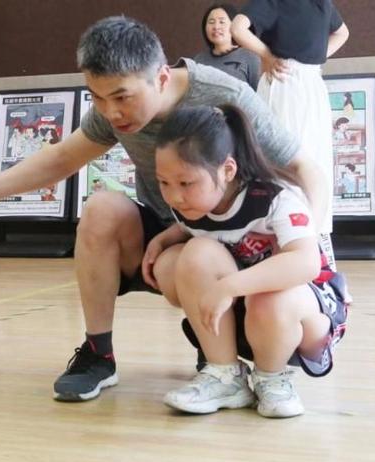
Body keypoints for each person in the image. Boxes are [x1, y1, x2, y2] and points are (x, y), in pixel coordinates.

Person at [0, 16, 328, 402]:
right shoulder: (113, 111)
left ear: (160, 77)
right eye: (97, 97)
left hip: (236, 240)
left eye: (122, 97)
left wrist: (314, 246)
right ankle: (98, 355)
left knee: (190, 259)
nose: (111, 112)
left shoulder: (223, 96)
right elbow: (60, 160)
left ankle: (218, 348)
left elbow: (302, 166)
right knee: (101, 209)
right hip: (173, 228)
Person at [145, 104, 349, 418]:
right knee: (195, 253)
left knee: (270, 297)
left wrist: (230, 286)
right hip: (248, 313)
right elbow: (192, 228)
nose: (174, 196)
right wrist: (162, 240)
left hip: (303, 313)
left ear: (228, 170)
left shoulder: (276, 198)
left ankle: (273, 378)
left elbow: (306, 263)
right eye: (164, 183)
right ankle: (225, 375)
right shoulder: (193, 205)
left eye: (186, 183)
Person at [231, 0, 349, 269]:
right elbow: (238, 28)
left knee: (314, 162)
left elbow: (342, 32)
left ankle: (315, 239)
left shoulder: (321, 4)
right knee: (281, 162)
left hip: (309, 83)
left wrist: (318, 55)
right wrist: (267, 55)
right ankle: (282, 239)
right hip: (284, 83)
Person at [193, 4, 262, 90]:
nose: (216, 27)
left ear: (234, 25)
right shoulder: (199, 60)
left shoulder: (250, 58)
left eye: (222, 22)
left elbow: (259, 95)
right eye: (211, 22)